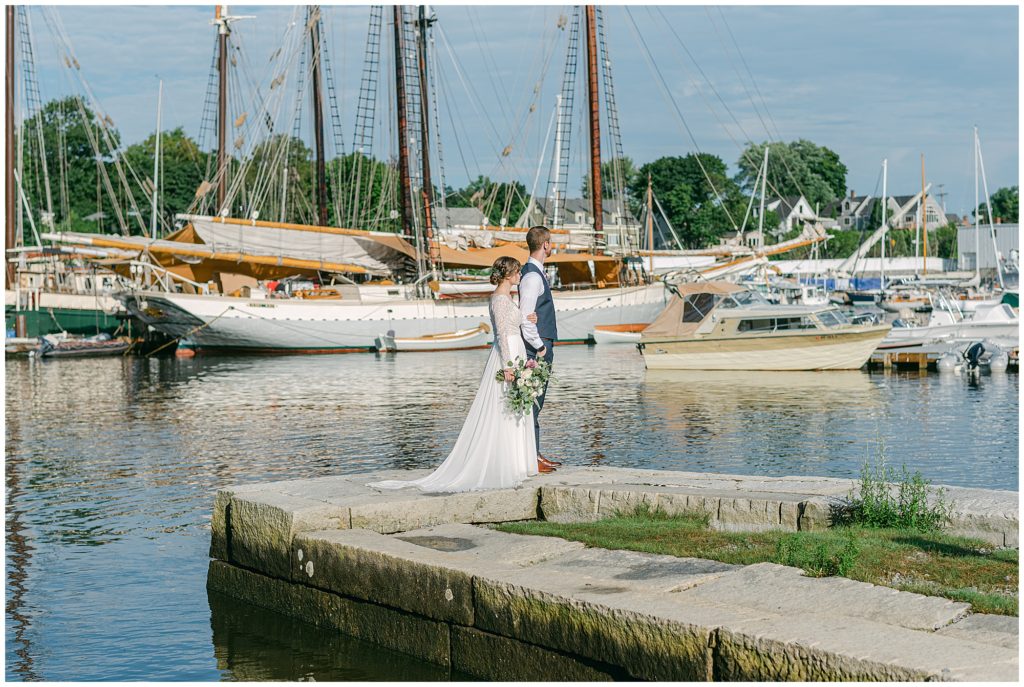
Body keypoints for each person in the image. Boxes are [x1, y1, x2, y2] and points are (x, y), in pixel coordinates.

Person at [369, 257, 539, 493]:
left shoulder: (508, 297)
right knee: (505, 406)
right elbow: (501, 334)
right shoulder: (500, 299)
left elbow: (513, 323)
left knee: (516, 406)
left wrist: (527, 318)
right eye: (518, 271)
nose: (520, 275)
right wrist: (508, 366)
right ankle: (504, 463)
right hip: (508, 354)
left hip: (516, 349)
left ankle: (517, 463)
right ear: (509, 274)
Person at [519, 225, 561, 473]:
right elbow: (526, 319)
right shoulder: (532, 277)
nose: (551, 245)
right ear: (545, 245)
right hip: (537, 348)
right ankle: (530, 456)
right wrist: (541, 347)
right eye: (551, 242)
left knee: (537, 400)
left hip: (541, 343)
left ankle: (534, 452)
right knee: (533, 400)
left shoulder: (535, 273)